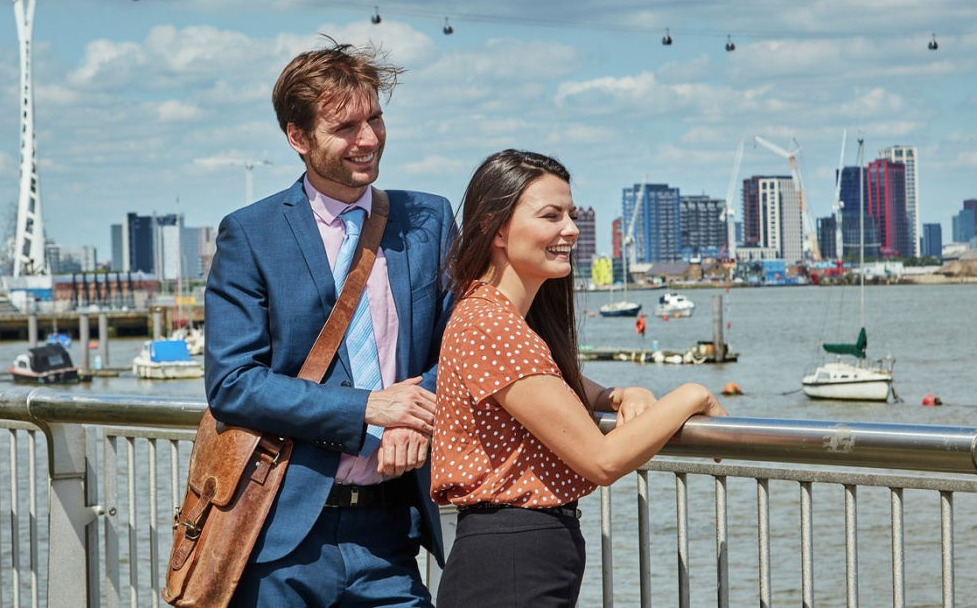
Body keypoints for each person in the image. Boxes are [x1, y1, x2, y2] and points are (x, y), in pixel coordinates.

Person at [204, 40, 455, 606]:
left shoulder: (430, 218)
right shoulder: (251, 233)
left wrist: (415, 417)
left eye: (376, 119)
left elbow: (460, 344)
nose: (368, 140)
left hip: (395, 532)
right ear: (298, 137)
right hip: (280, 539)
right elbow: (232, 383)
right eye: (345, 127)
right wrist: (368, 407)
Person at [431, 149, 728, 606]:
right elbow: (602, 460)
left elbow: (550, 384)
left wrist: (618, 395)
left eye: (570, 214)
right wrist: (691, 395)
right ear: (497, 227)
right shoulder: (491, 325)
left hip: (519, 553)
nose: (570, 228)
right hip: (511, 558)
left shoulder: (500, 320)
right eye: (551, 215)